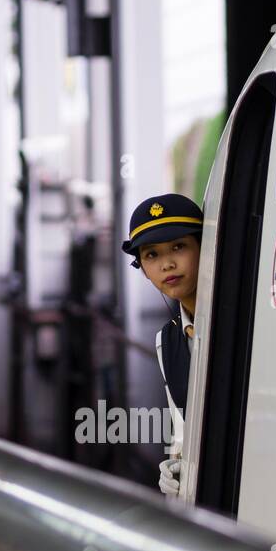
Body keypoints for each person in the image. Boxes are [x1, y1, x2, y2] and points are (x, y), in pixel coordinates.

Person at [120, 193, 203, 497]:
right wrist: (175, 466)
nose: (167, 264)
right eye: (151, 255)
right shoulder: (166, 341)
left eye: (178, 247)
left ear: (203, 248)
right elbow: (183, 433)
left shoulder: (243, 319)